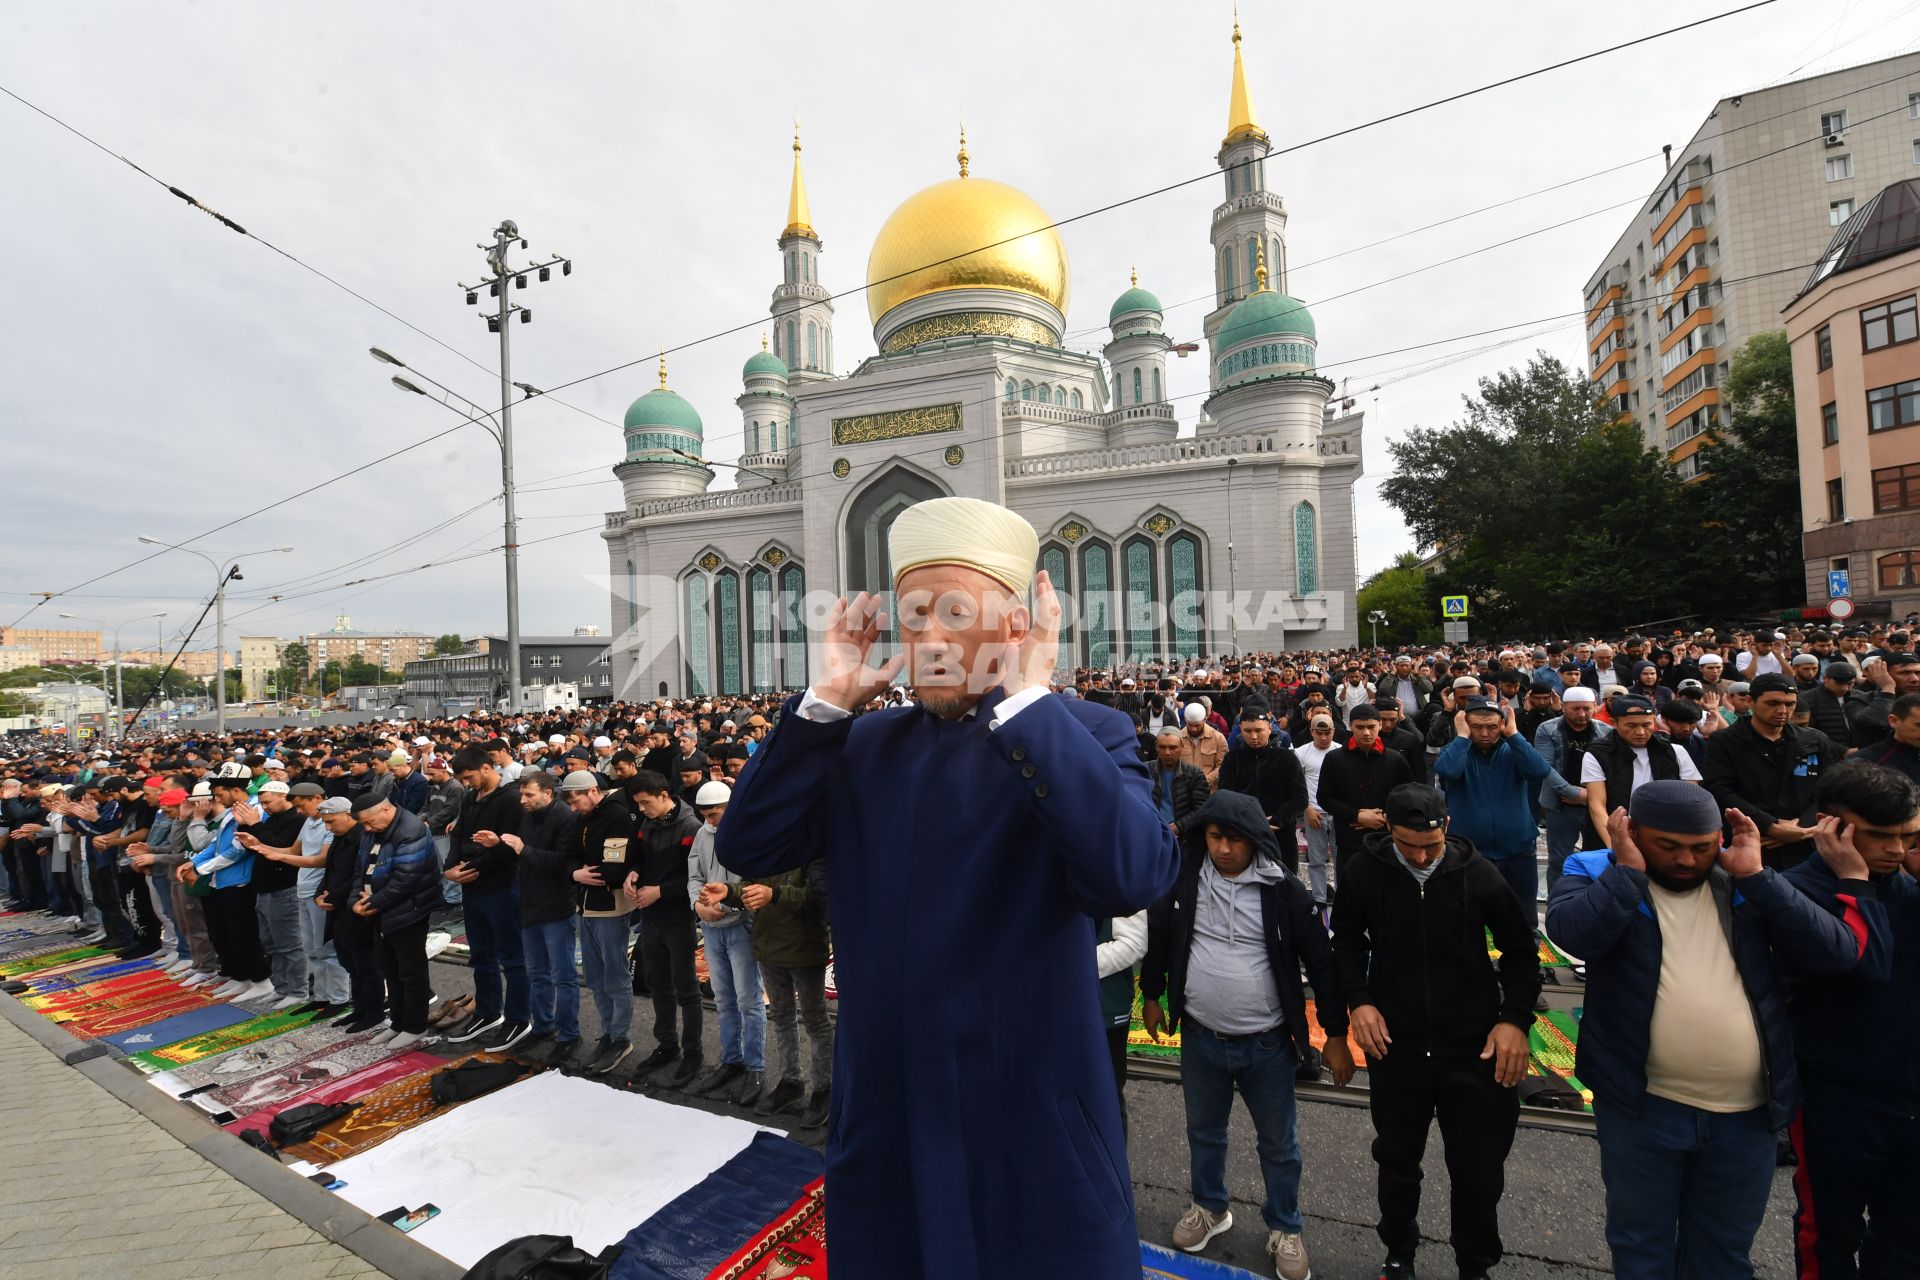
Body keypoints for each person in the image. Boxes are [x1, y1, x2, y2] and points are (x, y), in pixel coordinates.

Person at [716, 495, 1180, 1278]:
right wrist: (826, 701)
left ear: (1014, 625)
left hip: (1031, 1116)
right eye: (913, 614)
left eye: (954, 612)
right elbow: (750, 843)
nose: (928, 637)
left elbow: (1129, 874)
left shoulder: (1082, 735)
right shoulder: (863, 744)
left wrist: (1029, 704)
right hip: (889, 1112)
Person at [1546, 782, 1879, 1280]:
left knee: (1722, 1256)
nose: (1686, 860)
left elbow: (1835, 954)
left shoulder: (1746, 880)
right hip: (1642, 1109)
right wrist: (1629, 872)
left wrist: (1760, 878)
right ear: (1631, 832)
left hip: (1746, 1117)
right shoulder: (1595, 871)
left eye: (1701, 848)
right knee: (1641, 1249)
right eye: (1668, 846)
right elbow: (1575, 933)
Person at [1140, 791, 1350, 1280]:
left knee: (1279, 1144)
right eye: (1215, 838)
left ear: (1256, 839)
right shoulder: (1186, 882)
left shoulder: (1284, 892)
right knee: (1204, 1133)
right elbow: (1162, 937)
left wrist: (1336, 1034)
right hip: (1201, 1038)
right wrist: (1153, 994)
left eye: (1235, 839)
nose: (1224, 849)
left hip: (1267, 1044)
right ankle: (1210, 1208)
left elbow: (1321, 961)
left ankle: (1285, 1227)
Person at [1332, 783, 1539, 1280]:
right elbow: (1344, 943)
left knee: (1478, 1170)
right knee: (1398, 1161)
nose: (1422, 856)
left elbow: (1521, 952)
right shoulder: (1365, 872)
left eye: (1431, 845)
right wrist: (1359, 1002)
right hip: (1397, 1046)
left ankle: (1475, 1265)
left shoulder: (1479, 874)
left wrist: (1514, 1019)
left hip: (1473, 1047)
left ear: (1446, 827)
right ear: (1390, 833)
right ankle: (1399, 1254)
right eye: (1408, 846)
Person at [1779, 760, 1919, 1279]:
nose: (1897, 850)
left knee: (1906, 1238)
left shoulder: (1905, 885)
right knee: (1828, 1233)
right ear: (1831, 826)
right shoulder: (1793, 893)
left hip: (1908, 1098)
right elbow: (1866, 965)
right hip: (1834, 1099)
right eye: (1880, 836)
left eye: (1908, 836)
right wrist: (1855, 886)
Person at [703, 842, 833, 1128]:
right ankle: (791, 1081)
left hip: (805, 949)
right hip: (768, 948)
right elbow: (750, 889)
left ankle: (825, 1089)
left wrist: (772, 894)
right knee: (783, 1018)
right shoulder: (769, 847)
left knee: (815, 1021)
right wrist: (729, 891)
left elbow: (818, 898)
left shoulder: (814, 849)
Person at [1703, 672, 1846, 871]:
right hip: (1753, 843)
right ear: (1751, 701)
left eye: (1790, 704)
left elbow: (1828, 788)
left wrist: (1800, 827)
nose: (1782, 710)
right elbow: (1719, 789)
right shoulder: (1725, 741)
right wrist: (1770, 825)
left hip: (1806, 844)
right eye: (1773, 703)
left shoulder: (1813, 740)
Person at [688, 779, 769, 1107]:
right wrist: (697, 904)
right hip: (712, 925)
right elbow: (694, 875)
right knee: (723, 998)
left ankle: (755, 1067)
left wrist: (719, 906)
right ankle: (731, 1060)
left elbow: (754, 881)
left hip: (740, 925)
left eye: (715, 814)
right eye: (706, 815)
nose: (710, 820)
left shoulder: (750, 831)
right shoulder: (701, 834)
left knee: (749, 1000)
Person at [443, 745, 529, 1048]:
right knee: (481, 955)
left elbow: (508, 848)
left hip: (502, 886)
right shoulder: (469, 797)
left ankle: (520, 1017)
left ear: (486, 767)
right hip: (472, 887)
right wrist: (450, 868)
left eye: (469, 776)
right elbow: (458, 835)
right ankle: (489, 1010)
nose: (467, 783)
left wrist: (469, 866)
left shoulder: (511, 799)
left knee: (512, 956)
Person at [623, 771, 705, 1086]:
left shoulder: (690, 826)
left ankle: (693, 1052)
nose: (642, 809)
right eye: (638, 804)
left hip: (678, 917)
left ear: (663, 795)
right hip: (651, 917)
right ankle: (667, 1044)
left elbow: (696, 877)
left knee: (686, 987)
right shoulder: (647, 823)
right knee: (658, 984)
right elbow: (641, 859)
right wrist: (633, 873)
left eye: (646, 803)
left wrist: (660, 890)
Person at [1434, 698, 1551, 907]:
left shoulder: (1514, 751)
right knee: (1469, 911)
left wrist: (1514, 735)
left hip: (1518, 849)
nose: (1485, 734)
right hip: (1469, 851)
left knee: (1521, 912)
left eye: (1492, 727)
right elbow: (1447, 770)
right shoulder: (1456, 751)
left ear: (1502, 726)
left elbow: (1540, 770)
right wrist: (1461, 738)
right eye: (1477, 727)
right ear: (1465, 725)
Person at [558, 770, 638, 1074]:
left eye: (574, 799)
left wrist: (586, 873)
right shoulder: (584, 817)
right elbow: (570, 856)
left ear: (592, 791)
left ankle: (620, 1037)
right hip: (586, 904)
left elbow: (615, 865)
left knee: (615, 975)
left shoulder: (616, 815)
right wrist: (575, 873)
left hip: (611, 906)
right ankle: (607, 1032)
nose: (572, 806)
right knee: (594, 977)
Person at [349, 793, 442, 1046]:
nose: (367, 828)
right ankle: (398, 1022)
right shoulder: (372, 831)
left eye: (369, 822)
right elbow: (360, 869)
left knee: (411, 970)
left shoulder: (411, 829)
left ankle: (415, 1025)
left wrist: (371, 903)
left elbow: (406, 880)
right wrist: (354, 903)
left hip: (408, 910)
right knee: (389, 967)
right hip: (380, 909)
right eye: (363, 825)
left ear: (385, 811)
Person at [501, 770, 580, 1063]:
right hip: (530, 903)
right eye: (522, 794)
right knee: (536, 973)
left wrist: (524, 850)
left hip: (556, 906)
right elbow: (523, 855)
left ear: (548, 793)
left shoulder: (565, 818)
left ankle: (568, 1032)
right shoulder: (527, 816)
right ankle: (543, 1025)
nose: (523, 800)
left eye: (529, 795)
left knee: (563, 975)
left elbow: (562, 862)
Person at [1317, 703, 1412, 892]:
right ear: (1350, 726)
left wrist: (1385, 818)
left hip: (1387, 840)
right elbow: (1325, 797)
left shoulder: (1395, 760)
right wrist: (1356, 816)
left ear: (1379, 725)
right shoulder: (1335, 759)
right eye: (1360, 727)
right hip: (1349, 840)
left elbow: (1408, 797)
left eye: (1371, 727)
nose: (1366, 733)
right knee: (1350, 894)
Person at [1580, 696, 1701, 841]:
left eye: (1646, 725)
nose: (1641, 732)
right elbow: (1597, 806)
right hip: (1616, 831)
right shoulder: (1598, 754)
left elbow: (1692, 797)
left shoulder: (1674, 751)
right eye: (1631, 726)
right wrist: (1615, 846)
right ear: (1614, 724)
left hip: (1665, 834)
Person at [315, 796, 384, 1032]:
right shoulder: (340, 837)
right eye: (325, 822)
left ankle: (373, 1012)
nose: (328, 827)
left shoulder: (363, 838)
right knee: (349, 962)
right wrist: (319, 894)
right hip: (339, 908)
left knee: (365, 963)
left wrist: (331, 896)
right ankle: (360, 1008)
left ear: (348, 815)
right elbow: (330, 870)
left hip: (356, 908)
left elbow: (360, 875)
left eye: (331, 821)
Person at [1216, 704, 1309, 875]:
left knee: (1283, 885)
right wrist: (1248, 821)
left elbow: (1300, 797)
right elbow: (1226, 797)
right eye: (1248, 731)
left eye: (1259, 730)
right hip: (1243, 833)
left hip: (1280, 834)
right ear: (1240, 730)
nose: (1254, 736)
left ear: (1269, 728)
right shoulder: (1233, 759)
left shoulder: (1286, 758)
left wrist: (1277, 819)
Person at [1294, 714, 1341, 906]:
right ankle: (1320, 897)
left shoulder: (1341, 751)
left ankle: (1343, 895)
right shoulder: (1301, 753)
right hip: (1314, 811)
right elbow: (1297, 784)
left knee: (1341, 859)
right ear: (1312, 732)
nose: (1323, 737)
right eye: (1319, 733)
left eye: (1327, 732)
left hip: (1337, 812)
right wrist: (1307, 809)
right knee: (1316, 859)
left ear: (1333, 731)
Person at [1146, 726, 1210, 839]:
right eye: (1162, 747)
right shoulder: (1146, 770)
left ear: (1182, 747)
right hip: (1150, 831)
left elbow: (1201, 808)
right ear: (1156, 747)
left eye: (1173, 747)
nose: (1167, 752)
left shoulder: (1194, 774)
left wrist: (1178, 827)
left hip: (1183, 837)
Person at [1180, 701, 1230, 789]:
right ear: (1185, 720)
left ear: (1205, 719)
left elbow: (1223, 766)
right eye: (1190, 725)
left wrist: (1205, 781)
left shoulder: (1218, 738)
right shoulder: (1178, 738)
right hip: (1184, 789)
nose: (1194, 729)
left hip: (1209, 791)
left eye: (1197, 725)